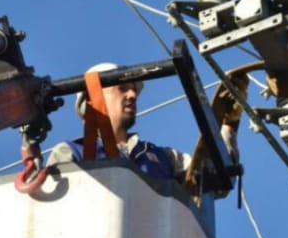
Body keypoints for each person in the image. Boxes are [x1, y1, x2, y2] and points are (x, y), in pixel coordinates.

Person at [48, 62, 240, 184]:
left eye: (134, 90)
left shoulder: (165, 158)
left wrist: (227, 127)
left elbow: (212, 178)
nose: (132, 95)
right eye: (122, 88)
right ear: (93, 99)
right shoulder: (70, 152)